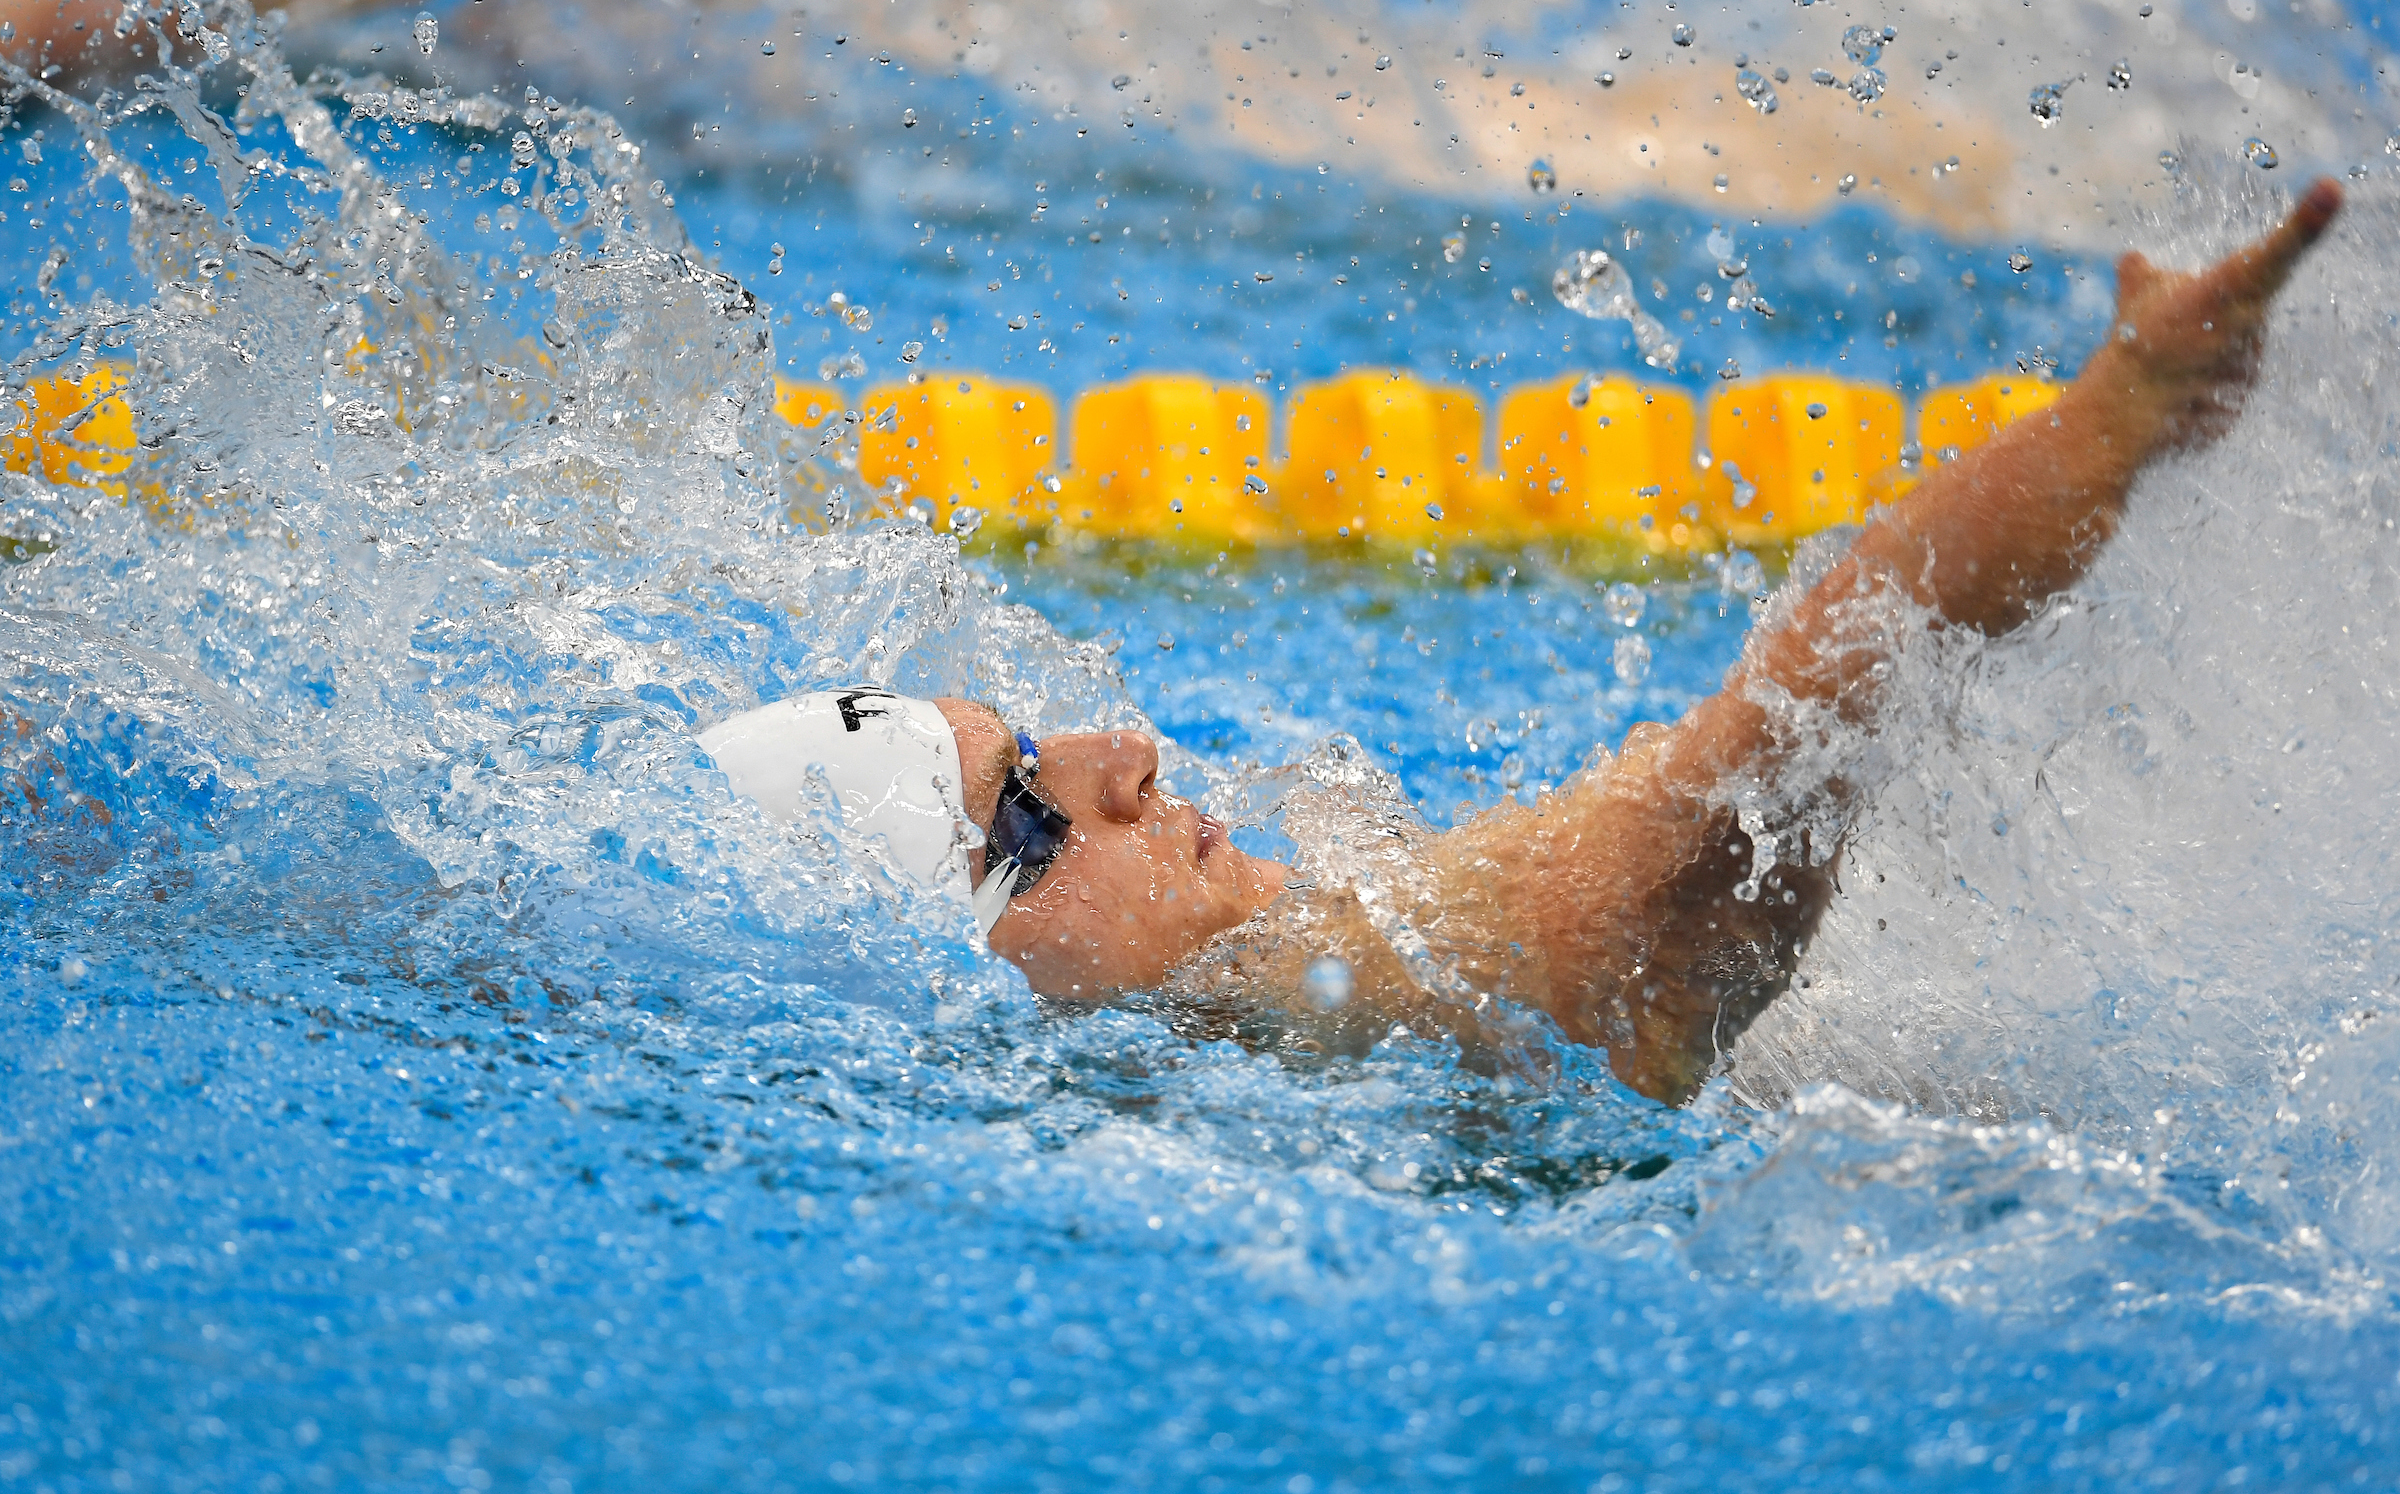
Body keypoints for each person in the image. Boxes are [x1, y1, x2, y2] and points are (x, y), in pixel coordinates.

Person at [703, 179, 2346, 1105]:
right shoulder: (1328, 994)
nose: (1124, 754)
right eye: (1031, 814)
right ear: (963, 968)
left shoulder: (1307, 988)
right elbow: (1745, 779)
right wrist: (2110, 424)